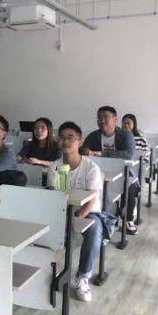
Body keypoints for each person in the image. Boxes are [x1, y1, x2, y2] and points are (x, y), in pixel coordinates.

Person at [48, 121, 103, 303]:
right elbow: (57, 197)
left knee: (94, 231)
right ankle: (52, 270)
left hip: (88, 212)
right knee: (44, 228)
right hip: (63, 210)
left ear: (80, 143)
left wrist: (74, 220)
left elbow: (91, 200)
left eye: (70, 137)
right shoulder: (56, 166)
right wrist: (62, 219)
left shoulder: (91, 167)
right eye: (62, 137)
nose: (65, 141)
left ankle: (83, 277)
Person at [80, 106, 139, 235]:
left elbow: (128, 154)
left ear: (115, 119)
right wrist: (86, 150)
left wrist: (101, 153)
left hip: (122, 172)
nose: (102, 120)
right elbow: (83, 149)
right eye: (99, 117)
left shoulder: (126, 135)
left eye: (106, 117)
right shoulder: (94, 135)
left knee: (129, 186)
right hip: (99, 173)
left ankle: (129, 219)